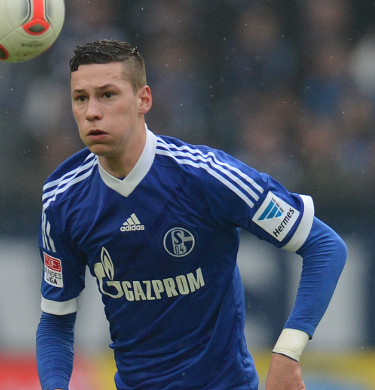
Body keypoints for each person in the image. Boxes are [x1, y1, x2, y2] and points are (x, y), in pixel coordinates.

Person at [35, 39, 347, 390]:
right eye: (81, 98)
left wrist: (288, 352)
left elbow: (324, 246)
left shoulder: (206, 176)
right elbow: (56, 319)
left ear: (144, 99)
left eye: (107, 94)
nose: (92, 111)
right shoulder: (62, 199)